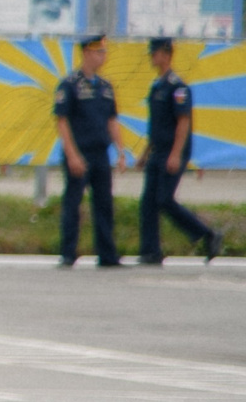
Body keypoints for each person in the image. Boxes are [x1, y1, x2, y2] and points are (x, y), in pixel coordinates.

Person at [138, 39, 221, 264]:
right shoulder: (157, 86)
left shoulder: (178, 88)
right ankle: (150, 251)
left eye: (154, 53)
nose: (152, 57)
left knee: (164, 199)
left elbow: (183, 122)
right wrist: (145, 153)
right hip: (158, 151)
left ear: (165, 54)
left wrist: (175, 153)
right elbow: (155, 126)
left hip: (173, 152)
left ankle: (207, 234)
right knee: (148, 202)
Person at [53, 34, 125, 269]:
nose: (102, 56)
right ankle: (68, 252)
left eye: (104, 52)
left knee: (104, 203)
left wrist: (121, 151)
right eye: (98, 52)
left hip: (100, 152)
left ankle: (107, 254)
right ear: (86, 53)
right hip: (79, 151)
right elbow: (62, 121)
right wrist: (72, 154)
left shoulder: (105, 87)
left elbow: (112, 120)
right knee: (73, 203)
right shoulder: (70, 84)